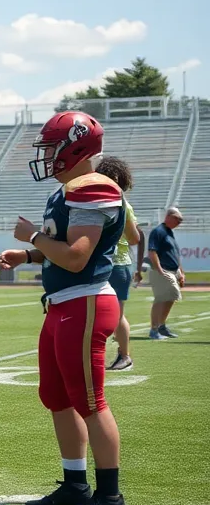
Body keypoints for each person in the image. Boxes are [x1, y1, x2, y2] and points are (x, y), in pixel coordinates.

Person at [0, 110, 128, 505]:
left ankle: (110, 499)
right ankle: (75, 484)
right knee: (56, 396)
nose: (48, 156)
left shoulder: (92, 188)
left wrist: (32, 236)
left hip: (85, 300)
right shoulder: (71, 189)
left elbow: (75, 257)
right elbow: (64, 247)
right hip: (64, 303)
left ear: (76, 147)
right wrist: (31, 254)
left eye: (53, 148)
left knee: (90, 401)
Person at [95, 157, 140, 370]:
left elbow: (134, 238)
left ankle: (125, 356)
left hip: (117, 264)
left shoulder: (122, 203)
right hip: (107, 263)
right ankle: (116, 355)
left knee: (115, 314)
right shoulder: (104, 201)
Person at [147, 206, 185, 340]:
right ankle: (154, 329)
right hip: (162, 270)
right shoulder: (158, 231)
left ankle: (161, 326)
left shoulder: (169, 232)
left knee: (170, 297)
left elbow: (175, 253)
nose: (179, 222)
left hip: (173, 270)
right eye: (177, 219)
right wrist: (159, 269)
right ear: (168, 217)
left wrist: (181, 272)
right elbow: (152, 251)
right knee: (163, 298)